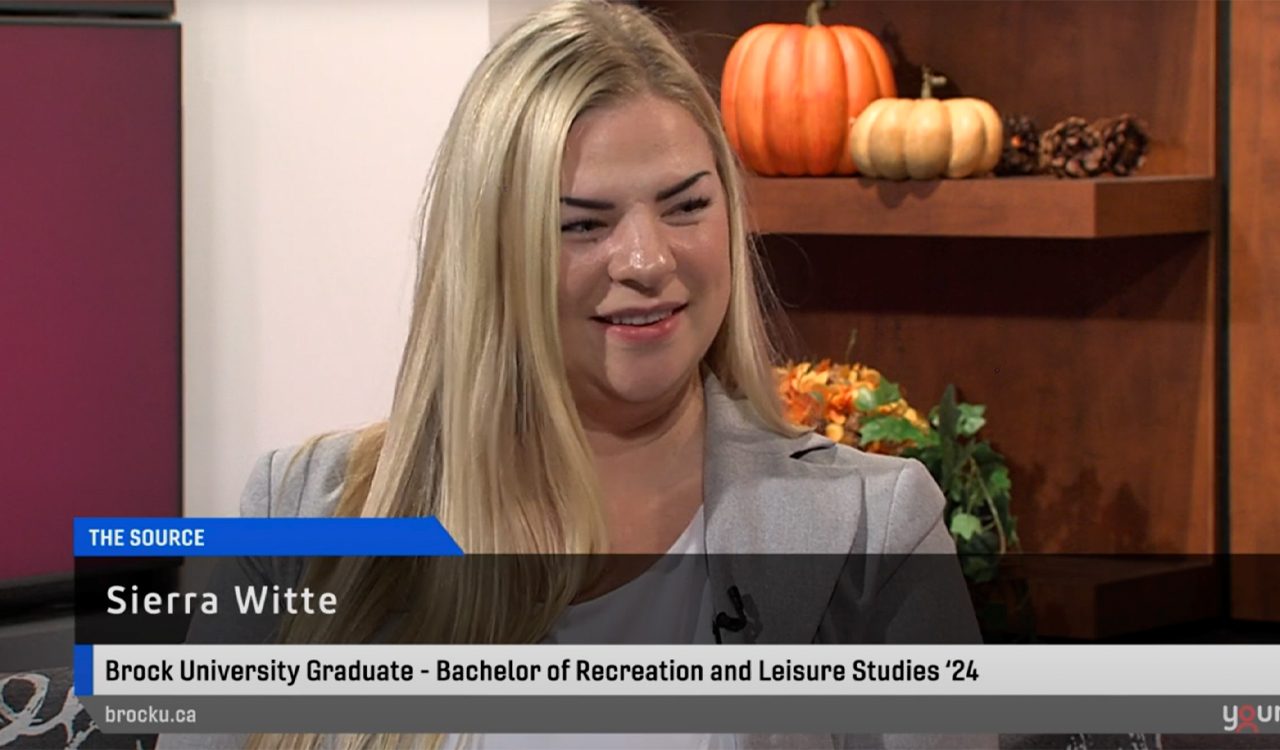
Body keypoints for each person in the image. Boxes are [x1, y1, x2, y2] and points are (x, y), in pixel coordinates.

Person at [161, 1, 991, 748]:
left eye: (686, 205)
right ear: (490, 254)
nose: (646, 259)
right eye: (583, 224)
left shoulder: (871, 530)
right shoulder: (300, 514)